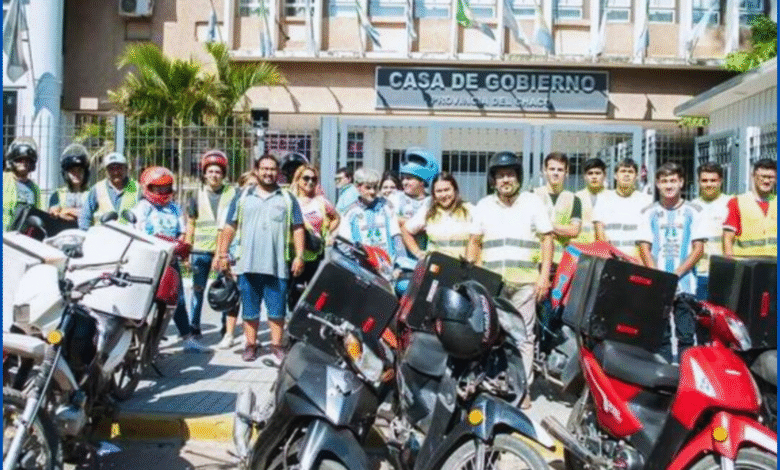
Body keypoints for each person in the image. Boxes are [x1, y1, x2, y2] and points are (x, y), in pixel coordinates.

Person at [466, 151, 553, 408]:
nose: (506, 180)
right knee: (490, 336)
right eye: (501, 175)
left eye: (510, 175)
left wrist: (544, 277)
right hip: (493, 284)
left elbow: (547, 239)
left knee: (524, 337)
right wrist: (475, 276)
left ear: (518, 177)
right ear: (493, 180)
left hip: (525, 282)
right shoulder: (484, 205)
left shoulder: (533, 203)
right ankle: (492, 384)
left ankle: (522, 390)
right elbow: (474, 242)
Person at [214, 154, 305, 363]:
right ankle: (250, 345)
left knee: (277, 310)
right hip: (247, 264)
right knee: (250, 309)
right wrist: (222, 253)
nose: (268, 173)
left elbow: (298, 228)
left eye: (272, 169)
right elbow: (230, 226)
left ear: (278, 172)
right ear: (256, 170)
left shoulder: (287, 198)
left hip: (277, 265)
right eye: (264, 168)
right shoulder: (243, 196)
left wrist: (299, 256)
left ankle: (276, 346)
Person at [132, 166, 209, 353]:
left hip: (170, 260)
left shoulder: (174, 207)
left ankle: (187, 338)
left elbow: (182, 232)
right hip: (148, 260)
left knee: (177, 300)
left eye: (165, 188)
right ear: (147, 187)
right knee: (146, 300)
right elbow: (138, 230)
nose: (161, 192)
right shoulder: (143, 207)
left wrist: (180, 247)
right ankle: (145, 342)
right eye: (157, 188)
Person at [637, 162, 705, 363]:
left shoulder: (695, 211)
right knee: (661, 335)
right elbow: (644, 248)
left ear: (681, 182)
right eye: (664, 181)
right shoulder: (648, 212)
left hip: (685, 284)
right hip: (659, 284)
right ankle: (664, 374)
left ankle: (685, 373)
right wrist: (661, 278)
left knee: (686, 335)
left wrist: (675, 275)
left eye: (673, 181)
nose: (669, 185)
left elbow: (698, 249)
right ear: (657, 184)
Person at [184, 150, 237, 346]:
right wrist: (187, 251)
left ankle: (225, 327)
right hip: (200, 250)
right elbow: (191, 224)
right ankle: (194, 325)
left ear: (223, 174)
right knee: (198, 289)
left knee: (226, 290)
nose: (214, 175)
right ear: (205, 174)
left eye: (218, 172)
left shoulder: (232, 194)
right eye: (211, 171)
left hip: (224, 251)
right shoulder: (195, 195)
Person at [288, 164, 340, 309]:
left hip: (315, 255)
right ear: (298, 179)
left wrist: (327, 232)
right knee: (293, 295)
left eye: (314, 179)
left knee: (315, 295)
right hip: (294, 256)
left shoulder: (321, 201)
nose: (310, 182)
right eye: (306, 178)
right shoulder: (290, 201)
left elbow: (336, 218)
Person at [337, 168, 408, 264]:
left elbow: (396, 236)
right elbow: (344, 244)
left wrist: (402, 263)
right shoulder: (350, 212)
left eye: (375, 187)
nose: (372, 192)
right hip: (363, 267)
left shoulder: (387, 206)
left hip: (389, 264)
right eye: (368, 188)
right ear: (358, 187)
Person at [401, 172, 473, 259]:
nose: (443, 195)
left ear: (455, 190)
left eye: (447, 190)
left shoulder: (469, 210)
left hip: (461, 264)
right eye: (439, 191)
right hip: (436, 265)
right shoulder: (428, 210)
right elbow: (405, 230)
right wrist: (418, 254)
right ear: (434, 193)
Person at [593, 158, 652, 257]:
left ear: (637, 176)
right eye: (623, 171)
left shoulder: (646, 200)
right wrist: (608, 254)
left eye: (630, 172)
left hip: (636, 259)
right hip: (611, 257)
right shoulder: (603, 198)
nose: (626, 175)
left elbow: (648, 236)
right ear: (615, 175)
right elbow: (599, 232)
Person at [533, 152, 582, 264]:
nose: (555, 173)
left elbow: (574, 231)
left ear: (566, 173)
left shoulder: (574, 199)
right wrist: (562, 230)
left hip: (562, 261)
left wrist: (545, 226)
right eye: (552, 169)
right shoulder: (533, 196)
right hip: (537, 259)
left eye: (560, 170)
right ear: (544, 171)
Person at [723, 158, 777, 258]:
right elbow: (728, 237)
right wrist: (729, 262)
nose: (766, 181)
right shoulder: (737, 202)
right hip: (746, 263)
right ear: (753, 176)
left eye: (771, 177)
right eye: (763, 177)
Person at [692, 162, 730, 300]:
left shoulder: (731, 203)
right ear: (698, 182)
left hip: (723, 272)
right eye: (704, 180)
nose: (708, 184)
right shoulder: (692, 206)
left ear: (721, 181)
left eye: (713, 180)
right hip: (699, 273)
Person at [394, 148, 440, 257]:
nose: (404, 182)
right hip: (400, 258)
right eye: (403, 178)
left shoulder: (431, 201)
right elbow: (392, 220)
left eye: (409, 178)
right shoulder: (395, 198)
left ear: (422, 181)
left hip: (426, 257)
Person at [79, 152, 140, 230]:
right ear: (106, 171)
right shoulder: (97, 188)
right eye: (111, 169)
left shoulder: (137, 188)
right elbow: (85, 215)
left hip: (129, 235)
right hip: (102, 234)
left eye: (119, 168)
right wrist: (85, 233)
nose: (116, 172)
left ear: (126, 169)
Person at [3, 138, 42, 231]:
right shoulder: (3, 179)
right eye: (19, 160)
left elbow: (38, 213)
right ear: (12, 160)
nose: (23, 163)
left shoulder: (35, 189)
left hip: (23, 234)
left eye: (27, 160)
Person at [48, 143, 91, 222]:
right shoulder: (58, 194)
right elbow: (53, 213)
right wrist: (75, 213)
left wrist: (65, 211)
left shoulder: (92, 193)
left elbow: (90, 214)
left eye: (79, 170)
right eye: (72, 171)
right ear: (66, 173)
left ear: (85, 173)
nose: (76, 174)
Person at [572, 157, 609, 244]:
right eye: (590, 173)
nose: (594, 177)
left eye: (598, 173)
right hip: (581, 248)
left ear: (604, 175)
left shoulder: (612, 197)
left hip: (606, 248)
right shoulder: (577, 197)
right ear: (584, 176)